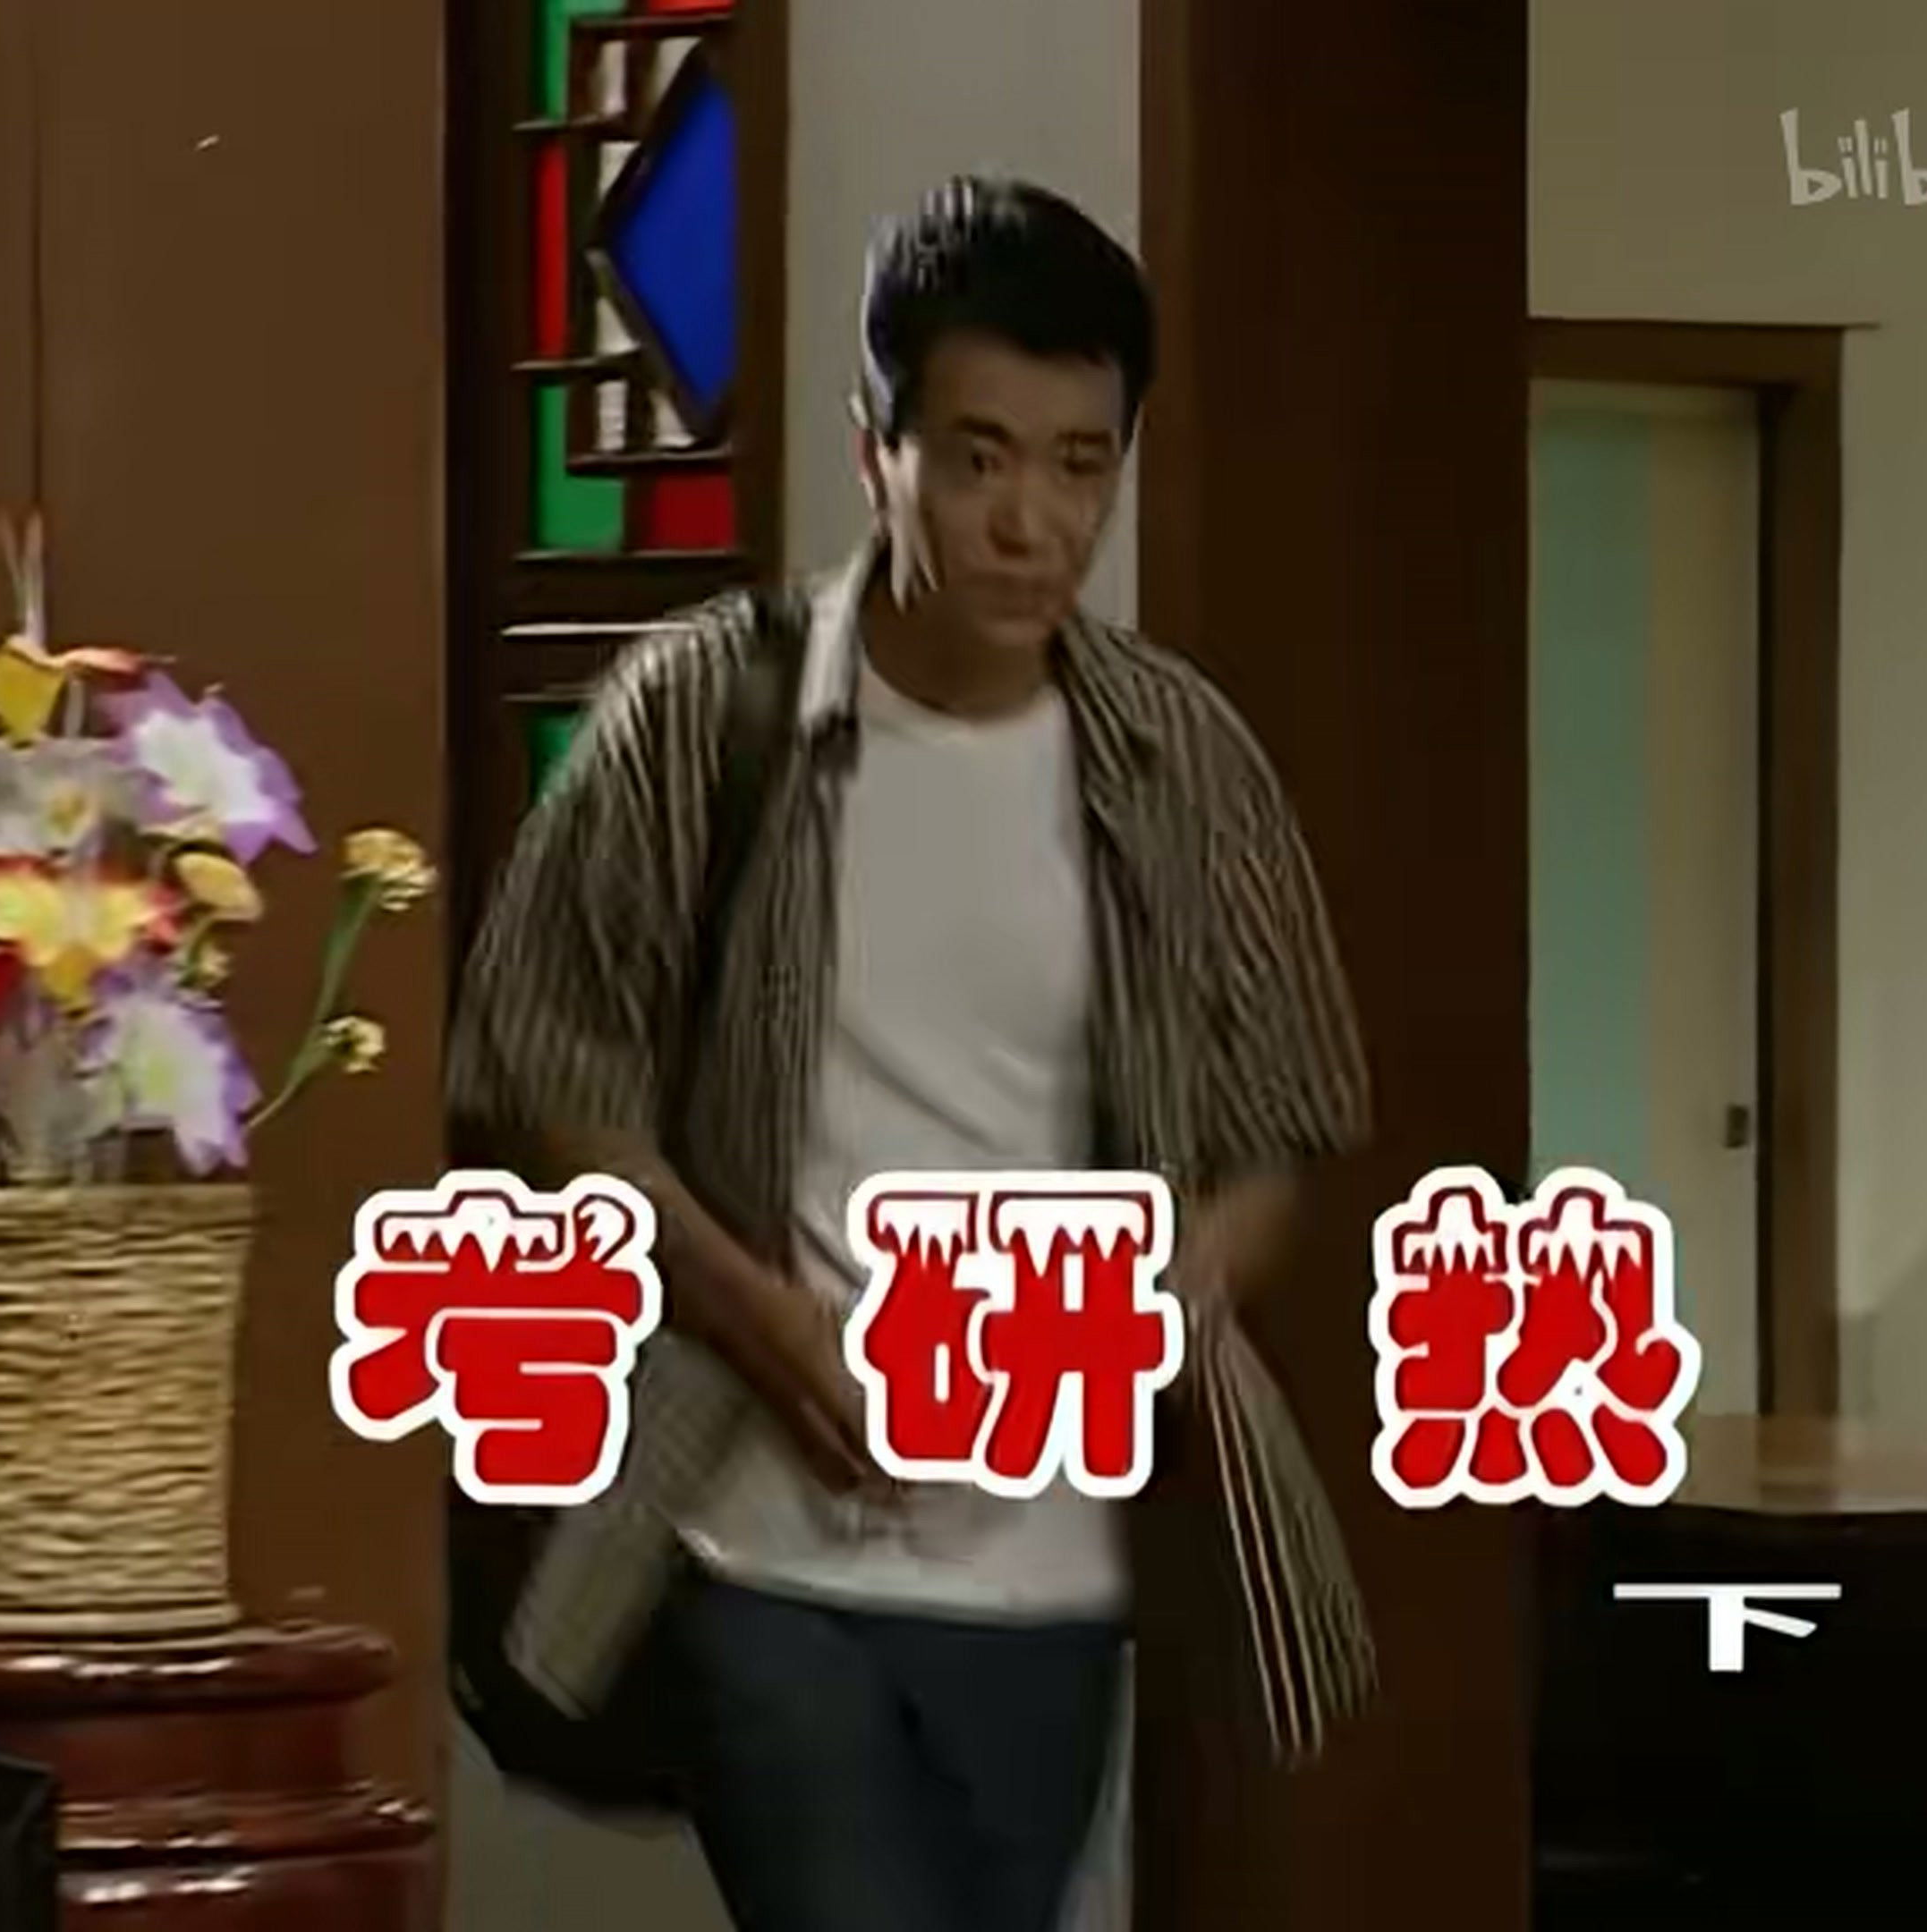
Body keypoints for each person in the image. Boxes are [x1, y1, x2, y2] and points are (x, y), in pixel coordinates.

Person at [449, 174, 1372, 1932]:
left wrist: (1161, 1297)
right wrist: (763, 1319)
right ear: (873, 450)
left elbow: (1285, 1131)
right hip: (761, 1544)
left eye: (1081, 465)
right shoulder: (707, 710)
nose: (1031, 522)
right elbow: (545, 1078)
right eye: (977, 456)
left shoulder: (1182, 761)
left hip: (1054, 1573)